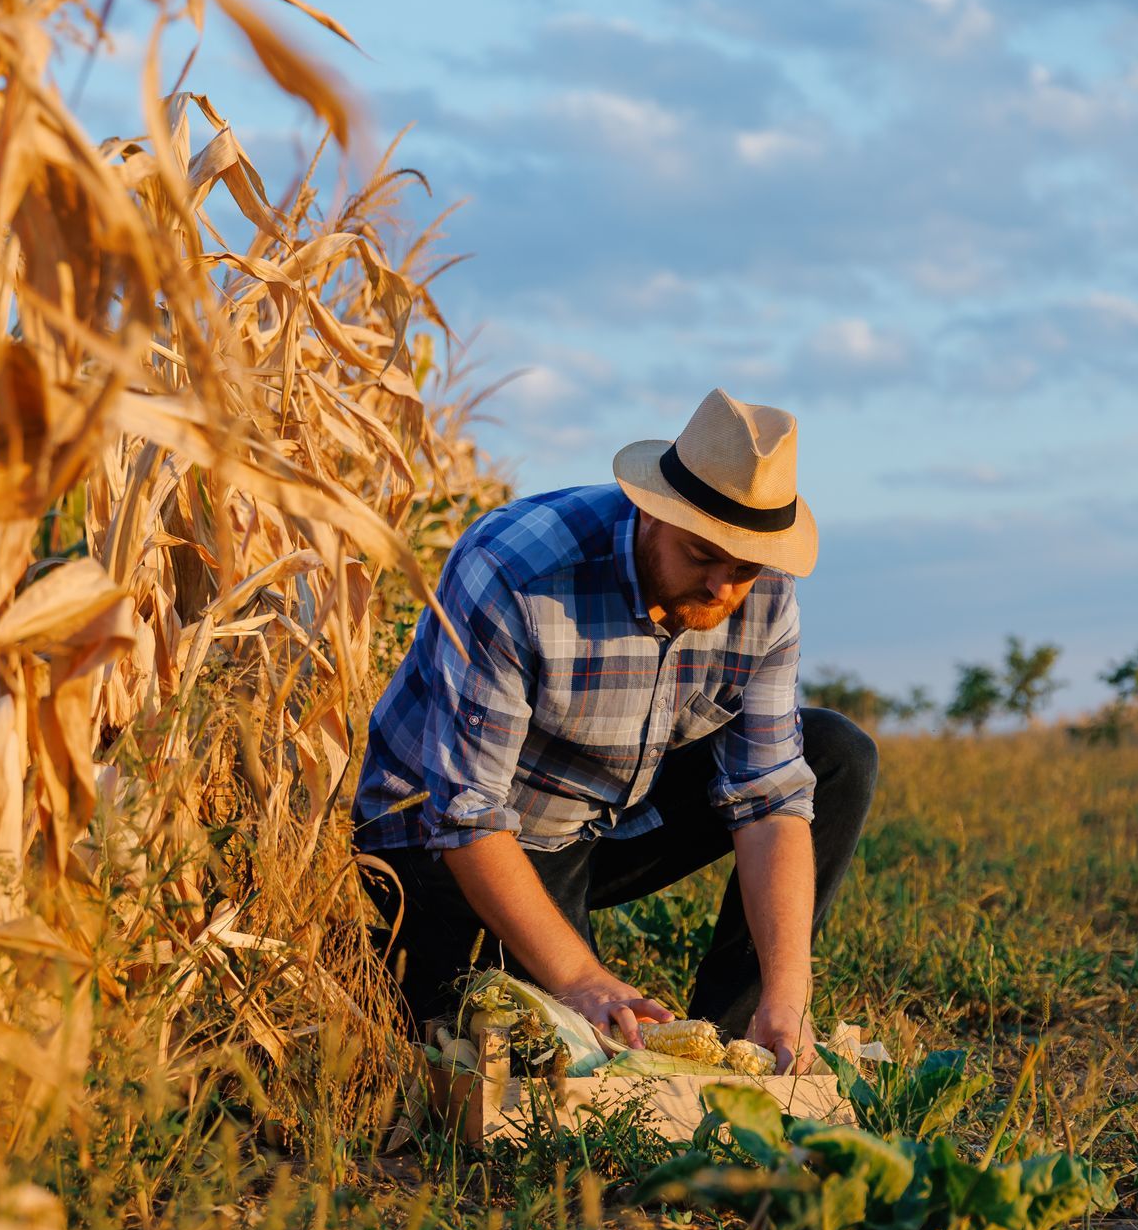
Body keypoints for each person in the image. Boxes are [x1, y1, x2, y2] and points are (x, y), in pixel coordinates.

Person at [352, 388, 878, 1075]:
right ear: (653, 512)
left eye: (742, 568)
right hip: (443, 850)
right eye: (701, 556)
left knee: (835, 754)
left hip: (598, 825)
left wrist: (791, 992)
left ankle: (744, 1045)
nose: (722, 589)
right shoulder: (517, 572)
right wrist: (583, 979)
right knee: (530, 1060)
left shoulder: (766, 594)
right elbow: (465, 815)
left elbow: (769, 798)